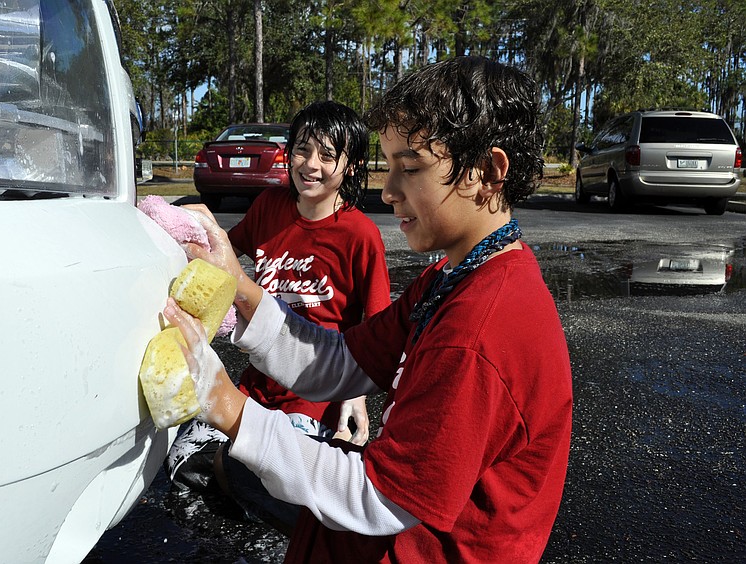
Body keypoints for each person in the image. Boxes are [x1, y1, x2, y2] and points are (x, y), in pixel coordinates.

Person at [166, 56, 573, 562]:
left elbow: (380, 498)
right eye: (389, 166)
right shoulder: (454, 276)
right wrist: (240, 287)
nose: (388, 191)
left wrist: (226, 404)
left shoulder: (480, 331)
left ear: (487, 172)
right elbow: (342, 362)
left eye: (411, 168)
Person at [165, 100, 391, 534]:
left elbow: (378, 330)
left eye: (328, 155)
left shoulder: (360, 234)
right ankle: (235, 471)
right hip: (257, 383)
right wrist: (186, 228)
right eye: (303, 150)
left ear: (353, 164)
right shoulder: (269, 206)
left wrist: (355, 395)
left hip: (313, 394)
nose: (311, 165)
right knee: (181, 465)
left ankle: (260, 476)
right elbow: (221, 258)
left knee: (269, 481)